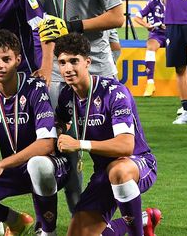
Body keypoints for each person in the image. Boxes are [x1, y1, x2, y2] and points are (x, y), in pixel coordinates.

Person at [33, 0, 124, 218]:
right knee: (65, 148)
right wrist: (46, 68)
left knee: (110, 147)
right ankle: (78, 219)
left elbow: (116, 16)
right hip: (61, 72)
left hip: (97, 67)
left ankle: (116, 216)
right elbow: (44, 27)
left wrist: (72, 27)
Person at [0, 30, 69, 236]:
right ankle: (14, 220)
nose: (0, 65)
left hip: (52, 165)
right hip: (14, 169)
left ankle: (46, 231)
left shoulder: (35, 88)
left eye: (6, 59)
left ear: (18, 59)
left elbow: (46, 144)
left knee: (37, 164)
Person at [55, 33, 160, 236]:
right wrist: (58, 132)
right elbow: (60, 120)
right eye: (62, 62)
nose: (68, 68)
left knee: (118, 170)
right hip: (103, 172)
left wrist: (79, 144)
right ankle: (144, 220)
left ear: (87, 62)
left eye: (74, 61)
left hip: (136, 162)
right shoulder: (67, 95)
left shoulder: (114, 92)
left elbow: (125, 146)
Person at [132, 0, 166, 97]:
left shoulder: (178, 1)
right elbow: (137, 17)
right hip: (157, 34)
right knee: (150, 48)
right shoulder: (153, 2)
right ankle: (150, 83)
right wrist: (146, 25)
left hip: (174, 33)